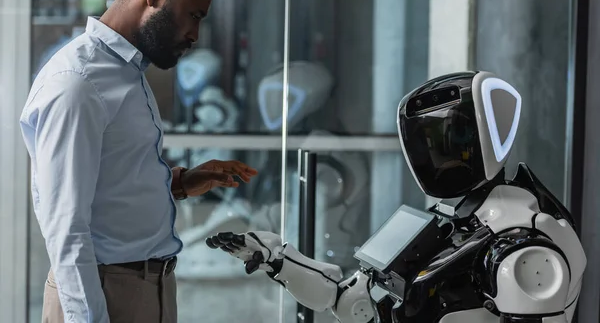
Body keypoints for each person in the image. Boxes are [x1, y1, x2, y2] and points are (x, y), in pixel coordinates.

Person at [206, 71, 586, 323]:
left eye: (454, 141)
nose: (439, 156)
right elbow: (351, 303)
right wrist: (280, 258)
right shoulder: (449, 221)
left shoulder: (521, 242)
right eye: (429, 144)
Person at [20, 0, 257, 323]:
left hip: (147, 289)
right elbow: (66, 228)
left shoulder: (126, 72)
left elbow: (111, 183)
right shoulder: (78, 83)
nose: (195, 34)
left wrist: (179, 183)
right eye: (192, 14)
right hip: (103, 295)